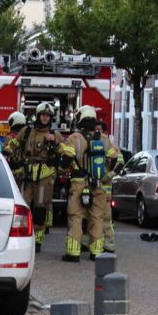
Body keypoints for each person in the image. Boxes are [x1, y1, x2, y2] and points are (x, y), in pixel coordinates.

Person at [60, 105, 118, 262]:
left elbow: (66, 161)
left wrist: (62, 165)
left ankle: (73, 253)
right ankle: (96, 252)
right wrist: (104, 174)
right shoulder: (104, 139)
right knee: (97, 217)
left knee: (76, 216)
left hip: (78, 184)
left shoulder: (74, 138)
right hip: (97, 184)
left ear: (80, 119)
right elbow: (115, 159)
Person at [18, 103, 61, 253]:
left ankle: (37, 241)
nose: (45, 117)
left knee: (40, 208)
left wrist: (55, 141)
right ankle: (23, 236)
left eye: (48, 115)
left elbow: (65, 150)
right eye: (43, 115)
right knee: (24, 205)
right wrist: (5, 152)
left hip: (45, 175)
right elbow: (14, 144)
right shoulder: (27, 130)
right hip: (29, 174)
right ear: (38, 115)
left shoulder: (55, 134)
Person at [95, 120, 124, 252]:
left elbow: (120, 163)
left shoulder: (110, 144)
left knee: (105, 217)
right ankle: (91, 243)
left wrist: (108, 176)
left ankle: (109, 244)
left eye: (100, 130)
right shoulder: (94, 143)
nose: (97, 133)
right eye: (95, 130)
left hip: (105, 188)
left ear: (105, 132)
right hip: (93, 186)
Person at [2, 111, 28, 191]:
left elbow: (6, 152)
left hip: (14, 171)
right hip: (25, 170)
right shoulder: (27, 136)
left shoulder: (10, 137)